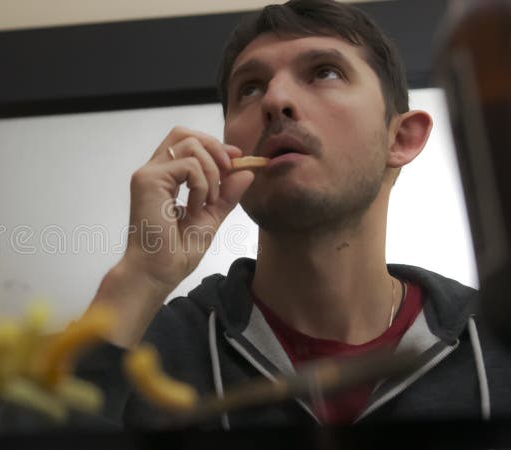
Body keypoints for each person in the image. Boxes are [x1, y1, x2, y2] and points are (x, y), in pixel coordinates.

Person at [79, 0, 511, 429]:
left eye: (324, 72)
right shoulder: (147, 354)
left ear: (401, 137)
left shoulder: (497, 342)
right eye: (249, 87)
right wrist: (141, 277)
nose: (276, 99)